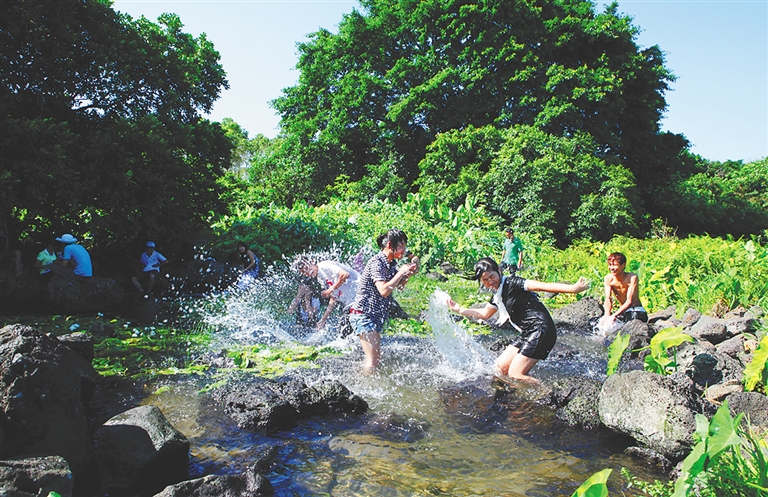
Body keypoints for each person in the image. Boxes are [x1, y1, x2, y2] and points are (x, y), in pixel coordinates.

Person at [446, 257, 588, 382]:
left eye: (492, 276)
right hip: (528, 332)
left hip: (541, 329)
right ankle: (515, 396)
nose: (490, 282)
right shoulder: (498, 294)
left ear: (499, 270)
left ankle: (548, 394)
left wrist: (573, 289)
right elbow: (484, 313)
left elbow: (541, 286)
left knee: (515, 374)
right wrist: (459, 310)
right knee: (500, 368)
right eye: (485, 280)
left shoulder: (513, 282)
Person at [349, 229, 418, 371]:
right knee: (373, 362)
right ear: (390, 245)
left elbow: (398, 286)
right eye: (402, 246)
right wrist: (401, 272)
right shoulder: (377, 263)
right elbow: (384, 290)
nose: (404, 250)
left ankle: (362, 377)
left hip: (374, 316)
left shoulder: (391, 263)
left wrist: (407, 275)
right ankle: (361, 383)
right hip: (363, 315)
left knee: (374, 359)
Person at [293, 256, 360, 335]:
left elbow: (344, 274)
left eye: (307, 268)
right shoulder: (321, 279)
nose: (307, 273)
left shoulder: (324, 266)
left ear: (312, 261)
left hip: (360, 294)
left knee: (349, 329)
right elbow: (334, 298)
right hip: (352, 302)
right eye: (303, 272)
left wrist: (330, 290)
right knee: (344, 330)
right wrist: (323, 319)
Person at [602, 252, 647, 324]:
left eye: (615, 265)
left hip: (636, 310)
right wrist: (607, 315)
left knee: (633, 317)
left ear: (623, 265)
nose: (612, 268)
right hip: (623, 312)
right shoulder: (608, 279)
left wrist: (614, 315)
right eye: (610, 265)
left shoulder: (632, 277)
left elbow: (629, 301)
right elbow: (608, 299)